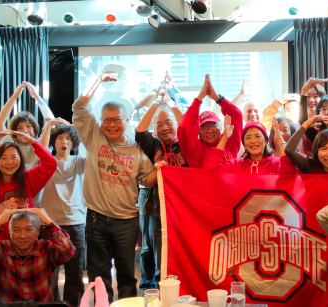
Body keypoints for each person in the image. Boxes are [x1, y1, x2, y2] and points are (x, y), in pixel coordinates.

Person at [72, 71, 158, 303]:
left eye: (117, 119)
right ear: (100, 121)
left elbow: (146, 179)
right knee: (99, 277)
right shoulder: (93, 136)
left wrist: (161, 170)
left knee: (127, 275)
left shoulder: (135, 150)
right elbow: (79, 108)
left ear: (126, 120)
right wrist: (98, 81)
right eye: (107, 119)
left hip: (127, 221)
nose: (112, 124)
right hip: (97, 218)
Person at [135, 90, 189, 289]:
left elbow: (191, 128)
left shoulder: (186, 144)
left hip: (181, 207)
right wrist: (157, 104)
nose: (165, 127)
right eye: (159, 124)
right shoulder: (154, 144)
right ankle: (152, 287)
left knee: (172, 249)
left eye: (169, 122)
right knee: (152, 247)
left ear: (177, 124)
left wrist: (171, 102)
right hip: (155, 204)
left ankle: (171, 288)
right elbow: (140, 133)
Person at [0, 131, 57, 241]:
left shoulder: (27, 178)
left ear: (20, 160)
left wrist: (33, 142)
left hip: (26, 244)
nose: (10, 162)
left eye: (14, 157)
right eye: (3, 158)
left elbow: (50, 164)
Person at [0, 208, 75, 302]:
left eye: (28, 229)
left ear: (37, 232)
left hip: (40, 306)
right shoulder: (0, 250)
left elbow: (68, 250)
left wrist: (49, 223)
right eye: (16, 230)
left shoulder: (46, 249)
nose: (22, 236)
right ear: (10, 232)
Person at [38, 119, 86, 307]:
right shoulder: (48, 163)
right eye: (60, 138)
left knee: (76, 273)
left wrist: (80, 129)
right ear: (54, 141)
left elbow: (91, 148)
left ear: (73, 142)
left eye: (68, 138)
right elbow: (39, 148)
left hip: (76, 223)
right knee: (49, 274)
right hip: (50, 224)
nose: (64, 142)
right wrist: (50, 125)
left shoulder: (80, 162)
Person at [0, 81, 56, 208]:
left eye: (28, 126)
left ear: (34, 129)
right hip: (9, 202)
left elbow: (51, 122)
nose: (24, 131)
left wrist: (38, 98)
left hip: (35, 204)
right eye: (19, 127)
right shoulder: (9, 146)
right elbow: (0, 123)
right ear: (15, 131)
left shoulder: (39, 146)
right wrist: (14, 97)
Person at [177, 74, 243, 169]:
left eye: (213, 125)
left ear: (221, 126)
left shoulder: (229, 141)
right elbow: (185, 127)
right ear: (198, 132)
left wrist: (217, 98)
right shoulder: (196, 150)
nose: (209, 130)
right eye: (203, 127)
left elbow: (236, 115)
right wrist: (198, 99)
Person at [205, 117, 284, 174]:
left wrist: (280, 139)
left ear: (266, 140)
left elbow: (288, 170)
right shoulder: (237, 164)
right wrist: (224, 138)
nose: (253, 141)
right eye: (248, 137)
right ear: (244, 144)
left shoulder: (275, 163)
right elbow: (212, 170)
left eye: (257, 136)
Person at [91, 63, 137, 138]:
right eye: (124, 78)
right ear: (116, 79)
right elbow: (129, 133)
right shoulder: (125, 102)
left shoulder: (97, 105)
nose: (126, 82)